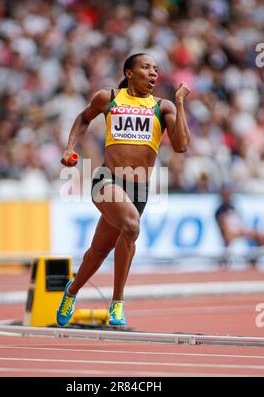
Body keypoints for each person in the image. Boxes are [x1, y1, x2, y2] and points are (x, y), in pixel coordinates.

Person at [57, 53, 191, 327]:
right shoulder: (109, 98)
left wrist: (179, 103)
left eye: (156, 69)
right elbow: (84, 118)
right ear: (129, 73)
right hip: (107, 180)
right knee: (131, 226)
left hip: (139, 187)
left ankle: (71, 291)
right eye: (146, 67)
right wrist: (70, 147)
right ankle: (117, 302)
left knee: (98, 251)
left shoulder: (163, 106)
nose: (153, 73)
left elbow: (181, 146)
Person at [215, 185, 264, 266]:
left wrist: (241, 229)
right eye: (225, 193)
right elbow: (223, 227)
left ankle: (256, 256)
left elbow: (239, 221)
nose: (227, 196)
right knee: (231, 235)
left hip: (238, 229)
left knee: (258, 234)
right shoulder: (219, 210)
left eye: (228, 193)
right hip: (229, 233)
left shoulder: (232, 207)